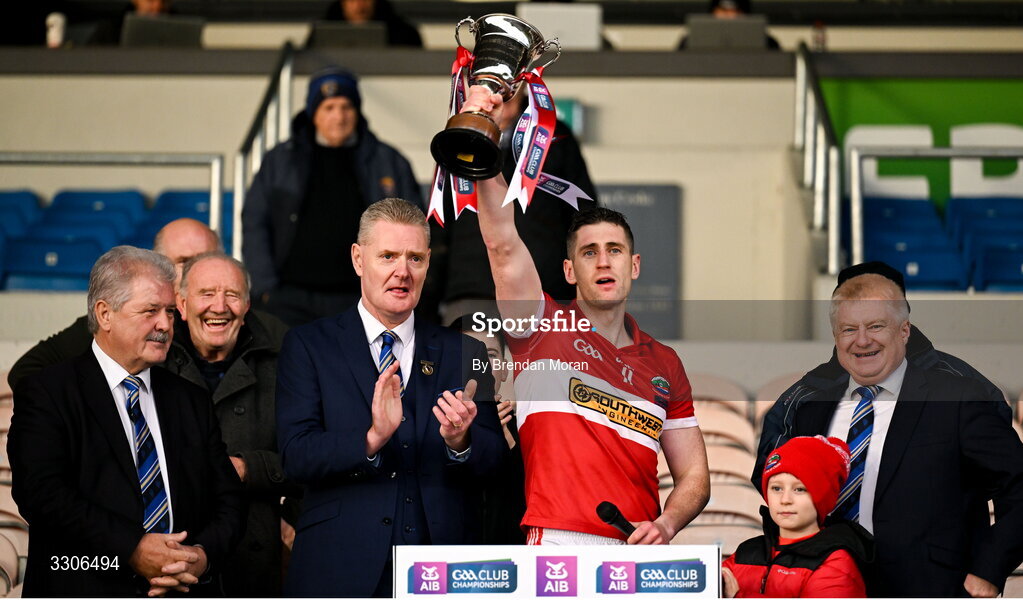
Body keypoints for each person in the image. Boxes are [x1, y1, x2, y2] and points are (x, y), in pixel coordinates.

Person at [464, 86, 710, 545]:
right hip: (555, 543)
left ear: (634, 266)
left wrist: (667, 523)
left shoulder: (665, 363)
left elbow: (694, 474)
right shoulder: (538, 326)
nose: (603, 262)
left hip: (637, 549)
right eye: (589, 252)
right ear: (568, 270)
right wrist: (486, 137)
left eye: (615, 251)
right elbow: (501, 241)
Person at [275, 198, 505, 597]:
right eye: (388, 256)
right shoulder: (305, 344)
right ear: (358, 259)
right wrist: (370, 438)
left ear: (429, 263)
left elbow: (497, 459)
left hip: (446, 570)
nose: (403, 271)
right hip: (339, 567)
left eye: (415, 258)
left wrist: (461, 442)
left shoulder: (470, 352)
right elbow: (295, 457)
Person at [759, 272, 1023, 597]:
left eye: (875, 326)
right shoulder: (811, 410)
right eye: (849, 329)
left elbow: (1019, 490)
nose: (862, 340)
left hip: (931, 590)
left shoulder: (958, 397)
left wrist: (988, 571)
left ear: (904, 330)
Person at [8, 246, 244, 597]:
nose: (165, 324)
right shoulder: (47, 391)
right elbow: (42, 496)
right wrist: (132, 548)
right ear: (105, 314)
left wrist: (201, 556)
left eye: (168, 311)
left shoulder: (190, 399)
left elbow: (228, 500)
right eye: (150, 311)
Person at [754, 261, 1012, 489]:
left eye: (876, 322)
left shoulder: (962, 385)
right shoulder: (806, 395)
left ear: (903, 322)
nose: (863, 339)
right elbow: (770, 474)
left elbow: (1002, 477)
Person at [242, 67, 422, 327]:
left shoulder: (388, 161)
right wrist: (266, 289)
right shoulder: (280, 161)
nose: (338, 117)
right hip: (289, 300)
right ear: (313, 113)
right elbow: (255, 222)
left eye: (346, 107)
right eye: (328, 108)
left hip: (361, 299)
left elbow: (415, 226)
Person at [167, 251, 296, 597]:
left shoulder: (284, 361)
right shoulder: (154, 361)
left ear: (247, 304)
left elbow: (309, 455)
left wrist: (247, 468)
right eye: (206, 294)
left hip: (255, 555)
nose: (219, 306)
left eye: (232, 295)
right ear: (180, 304)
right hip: (172, 556)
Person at [427, 87, 598, 324]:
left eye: (507, 81)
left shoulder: (553, 136)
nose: (498, 90)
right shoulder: (458, 136)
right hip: (472, 291)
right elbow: (438, 226)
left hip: (544, 294)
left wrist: (587, 294)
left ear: (522, 83)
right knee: (470, 362)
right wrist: (426, 305)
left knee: (547, 363)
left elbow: (584, 216)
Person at [7, 217, 221, 391]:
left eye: (205, 261)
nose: (196, 272)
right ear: (159, 268)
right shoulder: (114, 320)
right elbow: (27, 371)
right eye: (184, 262)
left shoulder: (240, 324)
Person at [722, 435, 871, 598]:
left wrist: (739, 597)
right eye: (776, 488)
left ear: (822, 497)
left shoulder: (836, 562)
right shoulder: (747, 551)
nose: (785, 500)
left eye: (799, 489)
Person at [448, 313, 525, 544]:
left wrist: (510, 446)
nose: (478, 364)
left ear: (504, 369)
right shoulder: (426, 425)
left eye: (489, 356)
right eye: (466, 355)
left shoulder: (529, 426)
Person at [677, 0, 781, 50]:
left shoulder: (767, 42)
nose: (729, 16)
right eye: (723, 11)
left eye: (735, 11)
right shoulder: (690, 42)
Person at [323, 0, 422, 47]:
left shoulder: (404, 33)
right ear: (343, 4)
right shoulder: (323, 31)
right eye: (353, 0)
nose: (360, 6)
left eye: (365, 0)